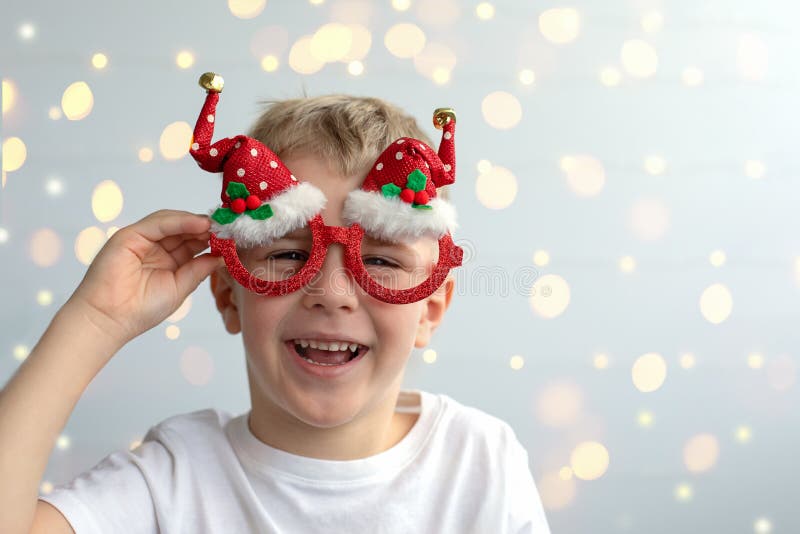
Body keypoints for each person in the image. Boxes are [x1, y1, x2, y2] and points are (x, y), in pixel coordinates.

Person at [0, 73, 551, 533]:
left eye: (380, 261)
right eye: (288, 254)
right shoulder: (173, 479)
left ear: (429, 309)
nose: (332, 295)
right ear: (228, 294)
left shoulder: (482, 466)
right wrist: (93, 323)